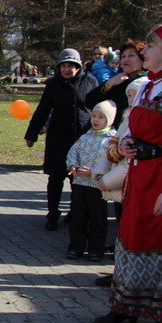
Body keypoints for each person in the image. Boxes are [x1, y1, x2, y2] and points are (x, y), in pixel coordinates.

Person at [94, 24, 162, 323]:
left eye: (149, 47)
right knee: (130, 233)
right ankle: (126, 306)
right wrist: (125, 144)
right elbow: (132, 127)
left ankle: (158, 312)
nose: (143, 53)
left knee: (156, 240)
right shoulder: (147, 86)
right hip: (139, 174)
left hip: (159, 178)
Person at [24, 49, 98, 231]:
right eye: (63, 66)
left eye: (70, 66)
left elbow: (99, 108)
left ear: (78, 66)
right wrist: (31, 134)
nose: (66, 69)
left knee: (77, 179)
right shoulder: (53, 84)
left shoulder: (90, 82)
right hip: (58, 137)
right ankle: (52, 214)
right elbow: (42, 110)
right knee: (56, 178)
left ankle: (75, 212)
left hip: (82, 138)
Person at [64, 101, 117, 261]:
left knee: (97, 220)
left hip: (97, 186)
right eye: (93, 116)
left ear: (109, 120)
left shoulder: (111, 140)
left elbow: (112, 162)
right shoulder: (85, 137)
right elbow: (72, 153)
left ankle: (96, 250)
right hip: (80, 184)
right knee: (78, 218)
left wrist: (93, 172)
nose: (96, 120)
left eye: (101, 117)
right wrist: (73, 165)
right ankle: (75, 248)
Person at [85, 39, 147, 128]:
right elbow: (89, 101)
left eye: (131, 56)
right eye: (123, 56)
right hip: (111, 136)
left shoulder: (148, 82)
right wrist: (109, 84)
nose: (125, 59)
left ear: (142, 59)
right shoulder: (118, 80)